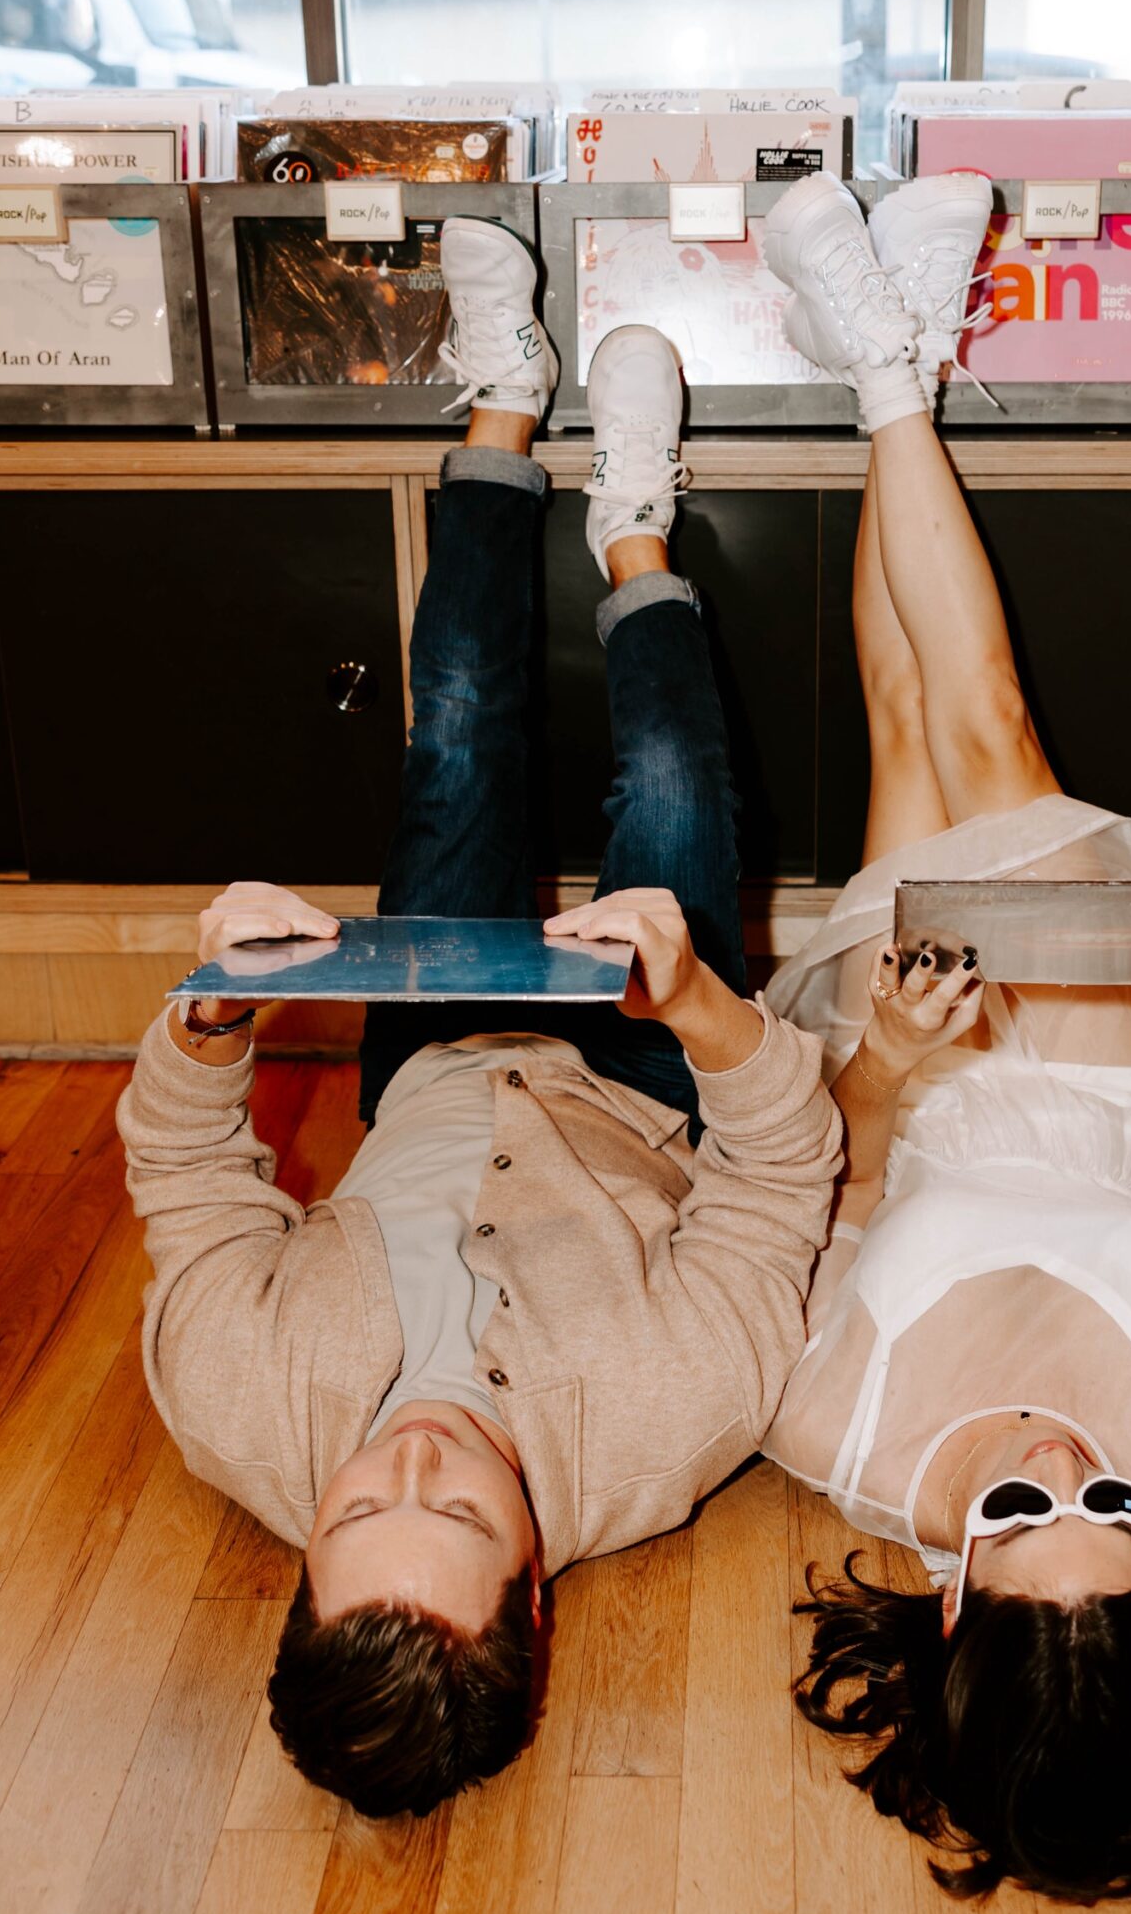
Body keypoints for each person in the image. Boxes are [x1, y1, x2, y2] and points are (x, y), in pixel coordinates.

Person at [117, 213, 841, 1821]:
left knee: (452, 746)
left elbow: (184, 1182)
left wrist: (211, 1021)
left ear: (299, 1560)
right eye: (452, 1515)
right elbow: (781, 1184)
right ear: (534, 1596)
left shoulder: (231, 1410)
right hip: (651, 1071)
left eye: (358, 1502)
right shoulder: (674, 1427)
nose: (416, 1462)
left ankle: (503, 409)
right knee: (666, 783)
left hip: (429, 1054)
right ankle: (636, 533)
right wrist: (704, 1009)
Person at [754, 170, 1131, 1906]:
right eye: (1125, 1533)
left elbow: (829, 1179)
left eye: (1018, 1523)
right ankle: (881, 359)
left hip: (909, 1076)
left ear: (947, 1598)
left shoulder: (824, 1430)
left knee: (907, 734)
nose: (1068, 1474)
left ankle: (898, 352)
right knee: (992, 733)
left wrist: (895, 1055)